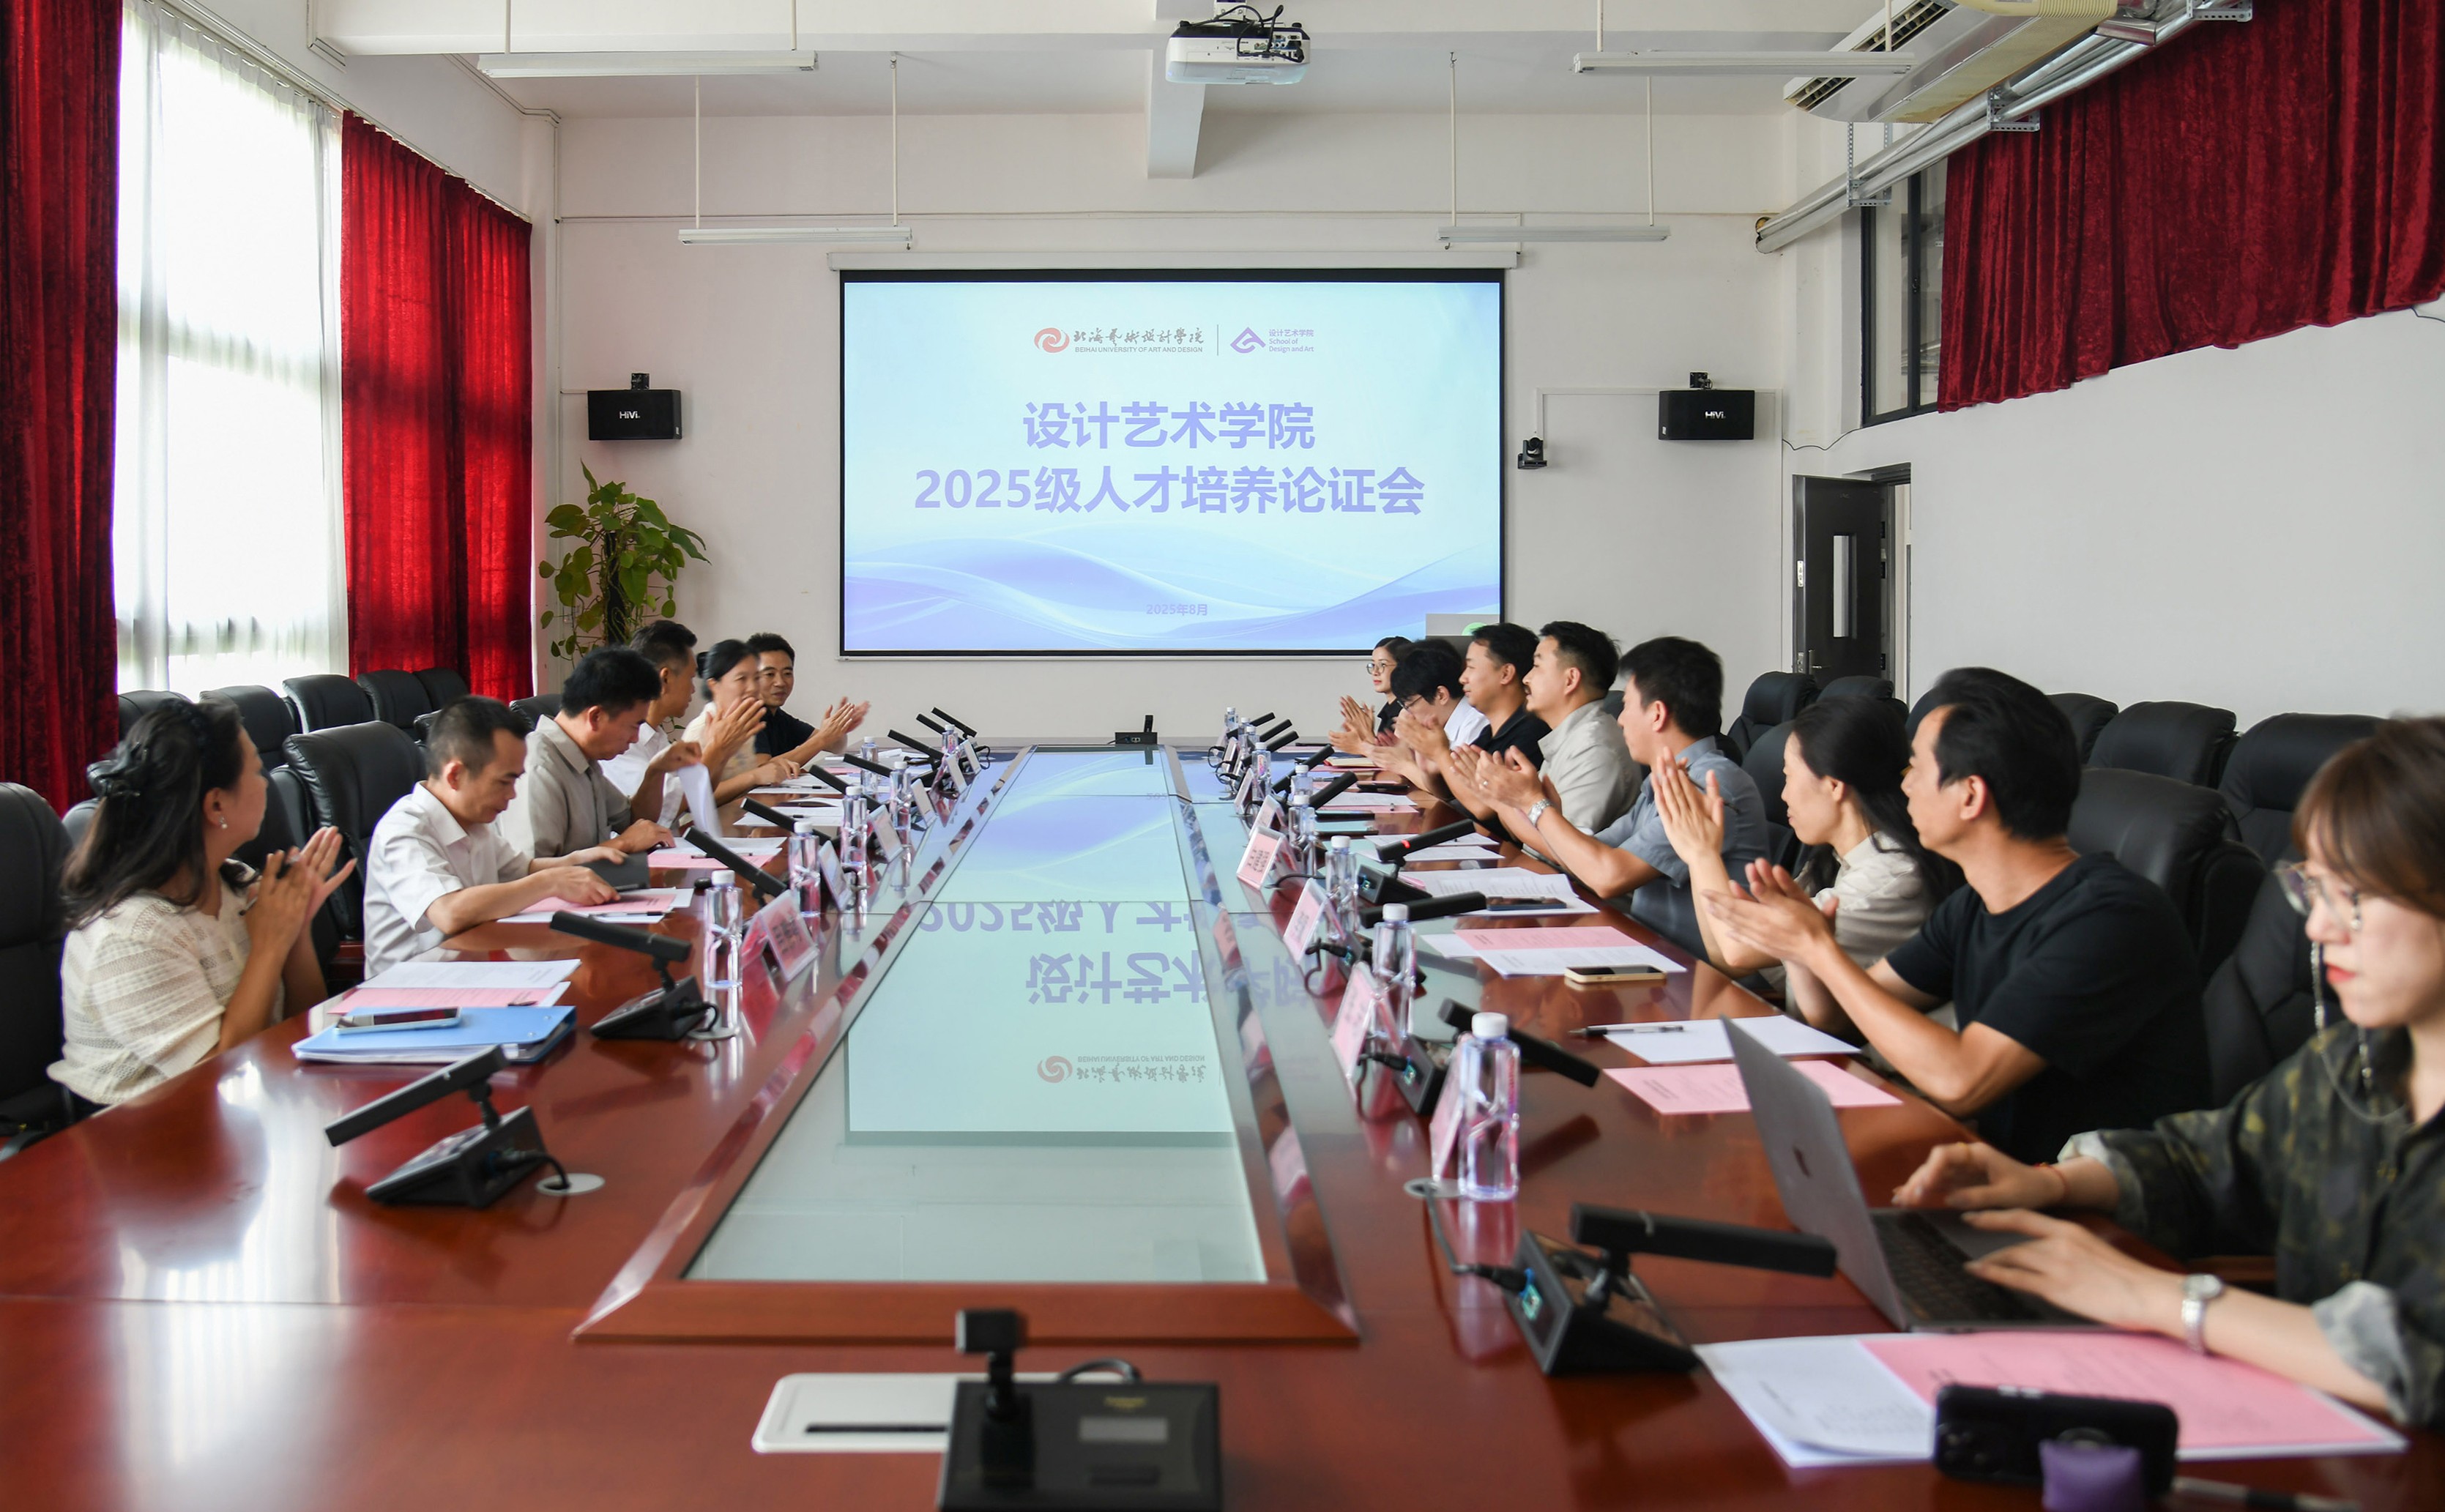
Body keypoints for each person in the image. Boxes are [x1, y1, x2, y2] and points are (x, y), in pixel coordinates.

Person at [1891, 718, 2445, 1428]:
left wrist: (2158, 1299)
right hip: (2309, 1432)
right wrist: (2050, 1183)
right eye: (2315, 889)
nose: (2317, 928)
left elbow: (2417, 1355)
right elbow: (2203, 1159)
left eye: (2355, 897)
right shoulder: (2347, 1065)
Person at [1701, 668, 2210, 1163]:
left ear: (1970, 795)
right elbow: (1839, 1019)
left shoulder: (2106, 919)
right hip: (1986, 1168)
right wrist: (1803, 949)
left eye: (1918, 770)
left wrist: (1821, 951)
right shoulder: (1976, 903)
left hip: (2084, 1206)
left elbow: (1962, 1080)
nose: (1903, 787)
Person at [50, 697, 354, 1108]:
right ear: (216, 805)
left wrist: (295, 928)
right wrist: (268, 945)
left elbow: (301, 1029)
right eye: (255, 771)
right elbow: (219, 1077)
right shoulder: (130, 935)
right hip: (148, 1132)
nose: (266, 783)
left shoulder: (235, 882)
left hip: (251, 1109)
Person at [1459, 635, 1766, 958]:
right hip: (1654, 954)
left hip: (1696, 969)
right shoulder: (1665, 780)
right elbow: (1590, 855)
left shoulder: (1707, 785)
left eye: (1628, 706)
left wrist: (1535, 805)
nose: (1620, 719)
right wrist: (1535, 808)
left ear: (1657, 714)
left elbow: (1608, 877)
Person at [1655, 692, 1957, 1013]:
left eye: (1788, 776)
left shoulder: (1890, 878)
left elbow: (1737, 950)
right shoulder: (1832, 861)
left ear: (1834, 785)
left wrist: (1702, 853)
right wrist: (1699, 854)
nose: (1783, 795)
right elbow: (1726, 955)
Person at [361, 697, 625, 975]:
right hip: (410, 990)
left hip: (472, 973)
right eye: (503, 782)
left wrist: (578, 861)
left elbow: (523, 869)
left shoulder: (473, 819)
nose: (512, 794)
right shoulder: (404, 830)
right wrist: (550, 882)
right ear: (455, 775)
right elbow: (449, 912)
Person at [501, 645, 681, 861]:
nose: (635, 738)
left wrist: (656, 770)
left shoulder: (585, 759)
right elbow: (530, 872)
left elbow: (634, 820)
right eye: (634, 726)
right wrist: (622, 844)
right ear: (596, 717)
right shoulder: (539, 768)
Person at [1396, 622, 1549, 822]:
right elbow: (1450, 794)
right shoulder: (1489, 733)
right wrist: (1430, 768)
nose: (1463, 678)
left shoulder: (1531, 733)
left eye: (1471, 667)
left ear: (1505, 674)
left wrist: (1440, 755)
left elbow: (1484, 808)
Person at [1519, 620, 1638, 832]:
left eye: (1537, 666)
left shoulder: (1594, 750)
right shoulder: (1572, 736)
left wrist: (1503, 799)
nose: (1527, 679)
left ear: (1571, 679)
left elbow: (1561, 846)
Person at [602, 619, 728, 818]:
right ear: (665, 678)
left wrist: (723, 751)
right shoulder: (623, 744)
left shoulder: (657, 736)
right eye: (690, 678)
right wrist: (717, 748)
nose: (693, 689)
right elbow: (663, 809)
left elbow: (697, 797)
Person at [678, 639, 801, 829]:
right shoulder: (701, 729)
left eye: (756, 678)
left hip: (742, 828)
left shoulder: (743, 724)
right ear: (714, 685)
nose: (752, 688)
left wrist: (773, 767)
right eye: (742, 679)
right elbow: (691, 801)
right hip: (705, 836)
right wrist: (755, 776)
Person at [743, 632, 868, 762]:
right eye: (770, 674)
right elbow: (764, 770)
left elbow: (835, 747)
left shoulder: (779, 717)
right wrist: (823, 738)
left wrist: (839, 728)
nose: (780, 682)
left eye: (787, 673)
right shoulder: (747, 718)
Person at [1333, 636, 1413, 750]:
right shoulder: (1389, 710)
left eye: (1382, 665)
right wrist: (1363, 736)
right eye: (1373, 665)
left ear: (1403, 668)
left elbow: (1396, 758)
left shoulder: (1408, 711)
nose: (1375, 672)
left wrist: (1368, 737)